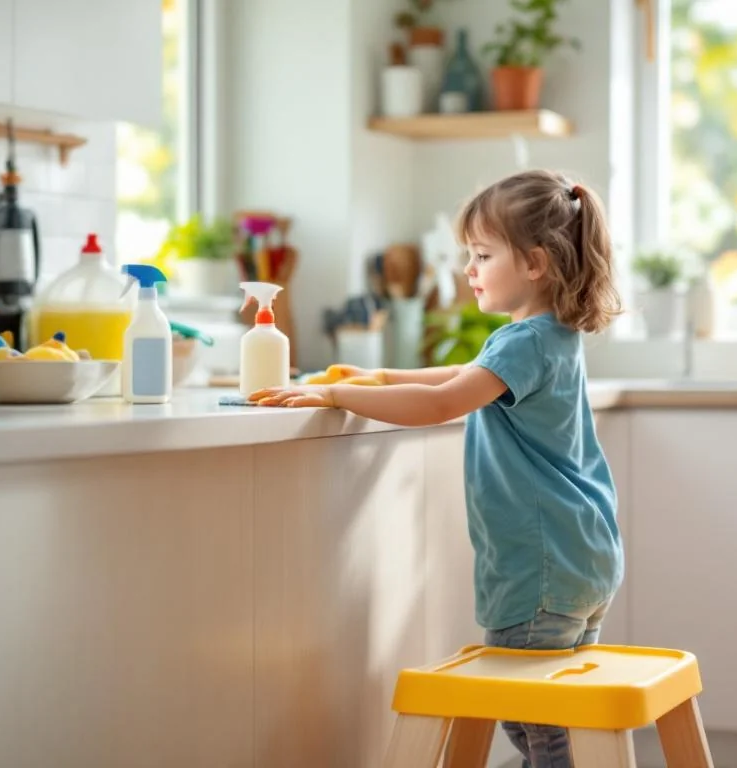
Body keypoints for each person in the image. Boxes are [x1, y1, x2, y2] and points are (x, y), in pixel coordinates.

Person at [249, 169, 624, 768]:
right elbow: (453, 380)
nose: (467, 270)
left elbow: (441, 403)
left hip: (542, 569)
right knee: (555, 716)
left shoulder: (522, 343)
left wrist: (336, 398)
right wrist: (376, 377)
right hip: (585, 556)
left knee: (536, 726)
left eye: (481, 255)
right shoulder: (547, 336)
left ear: (534, 263)